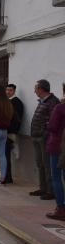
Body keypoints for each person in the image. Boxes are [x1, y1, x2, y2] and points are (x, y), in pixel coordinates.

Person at [30, 79, 60, 199]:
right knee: (40, 163)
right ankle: (43, 188)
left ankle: (50, 191)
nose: (34, 91)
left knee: (47, 165)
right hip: (36, 136)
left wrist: (44, 133)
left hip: (44, 138)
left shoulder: (53, 102)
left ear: (41, 89)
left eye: (36, 88)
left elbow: (53, 121)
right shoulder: (41, 101)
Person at [46, 83, 65, 220]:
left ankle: (60, 208)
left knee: (56, 177)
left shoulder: (60, 108)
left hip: (58, 146)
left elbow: (52, 127)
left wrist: (47, 124)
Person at [5, 84, 24, 183]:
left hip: (10, 132)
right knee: (4, 155)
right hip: (4, 132)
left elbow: (16, 119)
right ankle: (5, 175)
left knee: (6, 156)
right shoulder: (7, 101)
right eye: (7, 90)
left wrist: (12, 131)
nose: (8, 92)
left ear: (14, 91)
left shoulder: (17, 102)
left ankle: (8, 177)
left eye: (10, 90)